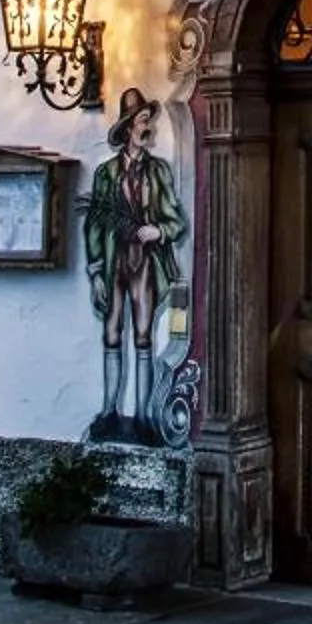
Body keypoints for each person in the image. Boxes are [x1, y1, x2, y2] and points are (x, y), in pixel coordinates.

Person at [83, 88, 187, 444]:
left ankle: (142, 415)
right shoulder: (106, 174)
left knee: (143, 337)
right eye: (143, 121)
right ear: (129, 128)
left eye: (149, 121)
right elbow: (94, 224)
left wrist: (156, 230)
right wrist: (95, 271)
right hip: (115, 264)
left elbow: (176, 223)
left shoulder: (158, 172)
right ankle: (110, 410)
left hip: (144, 265)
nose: (149, 128)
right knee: (111, 335)